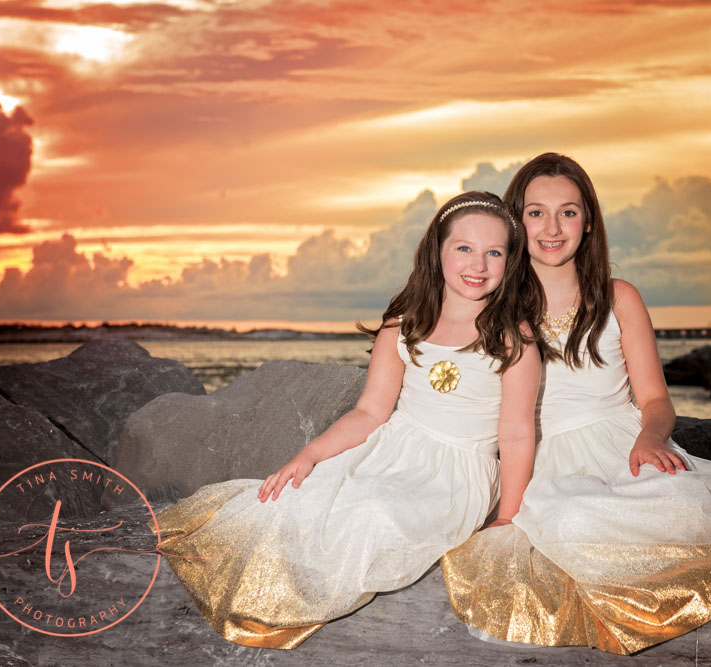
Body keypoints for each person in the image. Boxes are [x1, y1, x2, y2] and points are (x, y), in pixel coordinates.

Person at [440, 154, 711, 655]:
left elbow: (655, 398)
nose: (552, 227)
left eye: (568, 212)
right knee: (569, 518)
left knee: (687, 503)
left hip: (621, 440)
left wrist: (651, 436)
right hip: (542, 458)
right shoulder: (497, 309)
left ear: (588, 223)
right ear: (515, 222)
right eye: (535, 212)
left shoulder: (619, 298)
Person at [151, 191, 543, 649]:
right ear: (436, 252)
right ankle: (266, 583)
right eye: (464, 248)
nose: (479, 263)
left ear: (509, 261)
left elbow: (516, 434)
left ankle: (293, 603)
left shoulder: (513, 336)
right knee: (302, 499)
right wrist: (310, 455)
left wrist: (508, 517)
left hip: (458, 470)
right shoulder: (406, 323)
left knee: (377, 515)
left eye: (493, 252)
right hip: (394, 448)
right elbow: (370, 412)